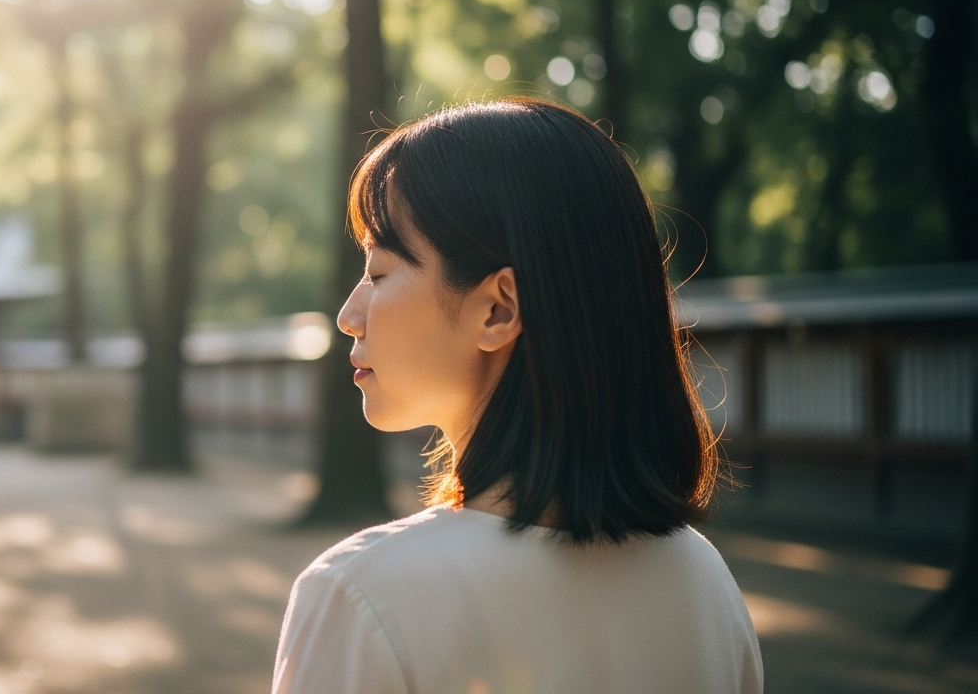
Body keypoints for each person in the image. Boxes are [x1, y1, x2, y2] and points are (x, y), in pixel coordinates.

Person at [271, 99, 763, 694]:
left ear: (499, 309)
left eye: (377, 273)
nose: (350, 315)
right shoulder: (702, 582)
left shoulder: (363, 597)